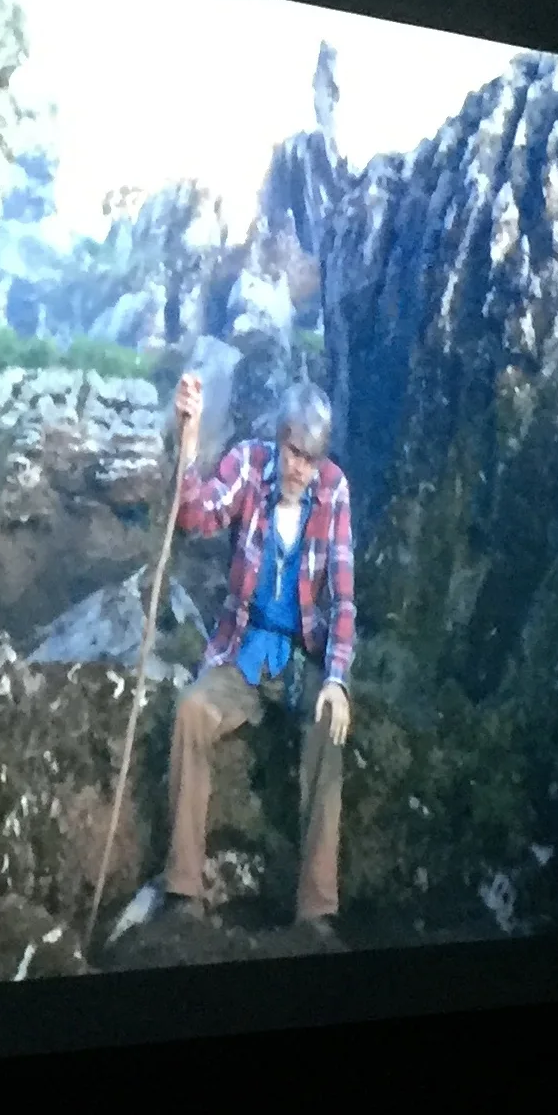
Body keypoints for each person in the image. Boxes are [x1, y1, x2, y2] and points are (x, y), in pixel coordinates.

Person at [160, 371, 354, 935]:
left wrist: (336, 679)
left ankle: (316, 910)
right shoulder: (249, 464)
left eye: (311, 459)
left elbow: (344, 600)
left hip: (300, 662)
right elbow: (195, 515)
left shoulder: (335, 491)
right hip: (242, 654)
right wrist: (189, 437)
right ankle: (183, 890)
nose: (300, 468)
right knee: (192, 711)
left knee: (331, 729)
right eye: (294, 452)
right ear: (279, 439)